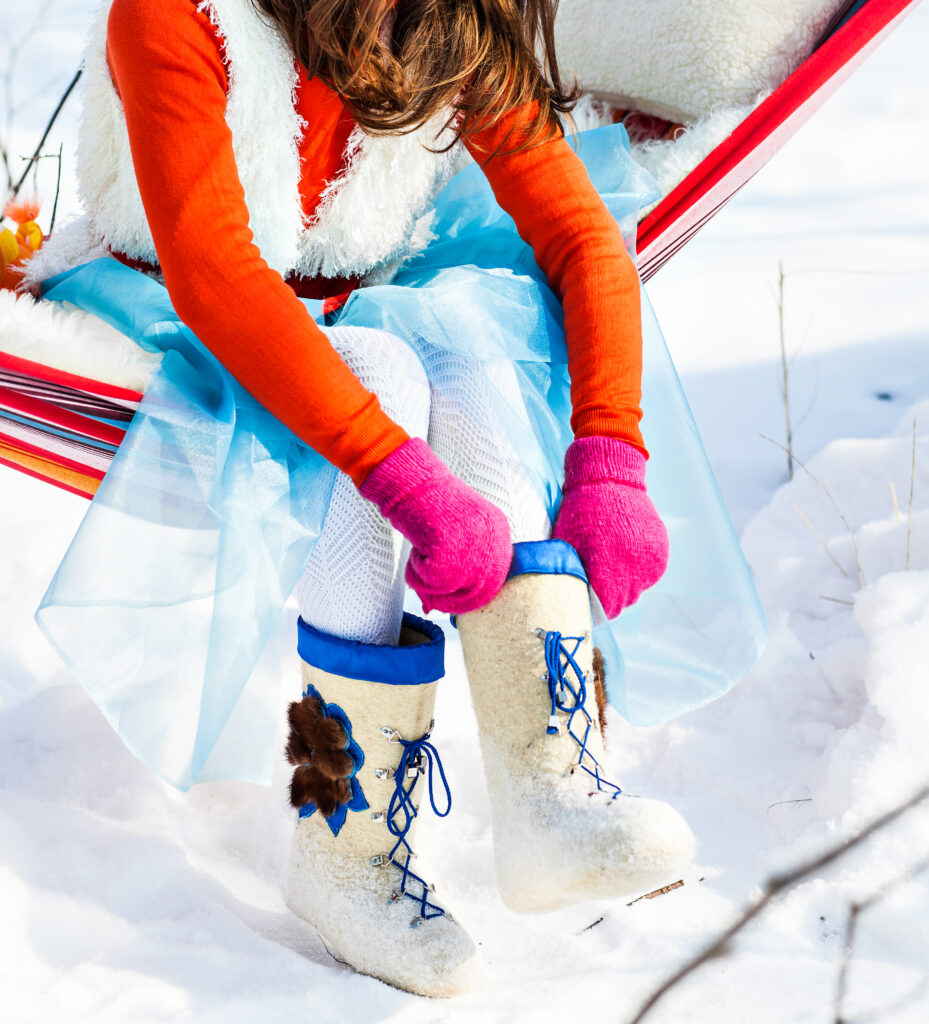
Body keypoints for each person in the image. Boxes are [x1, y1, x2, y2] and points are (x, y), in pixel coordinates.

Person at [26, 0, 765, 996]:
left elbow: (585, 242)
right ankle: (342, 852)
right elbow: (216, 275)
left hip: (330, 296)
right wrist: (398, 474)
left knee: (462, 340)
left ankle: (547, 794)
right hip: (163, 301)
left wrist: (609, 456)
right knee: (380, 373)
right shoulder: (173, 16)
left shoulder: (442, 23)